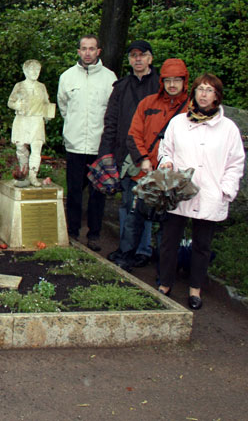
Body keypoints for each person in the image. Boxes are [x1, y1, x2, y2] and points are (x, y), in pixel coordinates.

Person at [156, 74, 244, 310]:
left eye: (209, 90)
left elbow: (236, 162)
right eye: (200, 89)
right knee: (169, 240)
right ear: (193, 92)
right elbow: (166, 150)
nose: (204, 94)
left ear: (217, 96)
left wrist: (226, 190)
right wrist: (166, 163)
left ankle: (195, 289)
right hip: (179, 192)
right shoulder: (178, 123)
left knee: (202, 245)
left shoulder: (228, 129)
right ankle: (165, 283)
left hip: (209, 194)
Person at [109, 59, 189, 271]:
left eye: (177, 80)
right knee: (134, 216)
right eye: (168, 80)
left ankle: (164, 266)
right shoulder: (148, 103)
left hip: (172, 176)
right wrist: (143, 158)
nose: (172, 85)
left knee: (168, 222)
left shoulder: (191, 109)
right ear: (162, 81)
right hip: (144, 170)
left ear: (184, 81)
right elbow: (134, 134)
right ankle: (127, 255)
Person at [99, 40, 160, 265]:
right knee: (127, 203)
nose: (138, 59)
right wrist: (106, 154)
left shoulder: (160, 85)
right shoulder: (121, 86)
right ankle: (126, 248)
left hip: (153, 155)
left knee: (148, 204)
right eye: (133, 55)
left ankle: (143, 250)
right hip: (125, 154)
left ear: (150, 58)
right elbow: (111, 121)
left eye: (142, 55)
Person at [57, 35, 117, 251]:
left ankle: (94, 235)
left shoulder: (109, 78)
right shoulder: (67, 77)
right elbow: (64, 108)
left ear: (98, 51)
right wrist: (73, 129)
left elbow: (111, 112)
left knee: (97, 193)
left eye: (92, 49)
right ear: (78, 51)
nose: (88, 53)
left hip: (98, 146)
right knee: (73, 191)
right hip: (74, 144)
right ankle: (72, 232)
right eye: (84, 49)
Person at [7, 59, 55, 186]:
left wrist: (48, 112)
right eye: (32, 70)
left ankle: (33, 175)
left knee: (36, 148)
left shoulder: (41, 87)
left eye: (37, 70)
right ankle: (23, 173)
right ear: (25, 71)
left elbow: (46, 102)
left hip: (37, 120)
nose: (35, 72)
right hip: (22, 120)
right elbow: (10, 102)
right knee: (20, 147)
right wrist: (16, 105)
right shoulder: (19, 86)